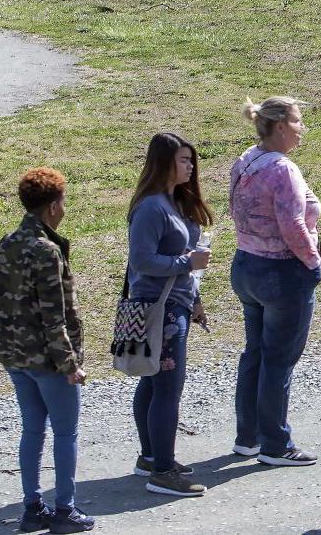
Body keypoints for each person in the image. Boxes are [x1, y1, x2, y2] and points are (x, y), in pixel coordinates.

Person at [0, 168, 93, 534]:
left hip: (16, 356)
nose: (64, 207)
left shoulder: (8, 241)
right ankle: (65, 509)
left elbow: (0, 302)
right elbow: (54, 315)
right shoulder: (47, 250)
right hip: (47, 360)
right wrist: (70, 364)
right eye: (62, 201)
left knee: (32, 429)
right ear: (51, 207)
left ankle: (32, 507)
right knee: (66, 433)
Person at [229, 96, 321, 468]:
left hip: (247, 266)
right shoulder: (283, 169)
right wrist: (312, 262)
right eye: (298, 122)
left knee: (255, 352)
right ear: (281, 125)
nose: (302, 130)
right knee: (279, 360)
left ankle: (247, 437)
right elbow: (293, 225)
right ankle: (275, 444)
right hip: (282, 274)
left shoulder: (246, 158)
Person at [127, 132, 214, 499]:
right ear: (164, 162)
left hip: (174, 306)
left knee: (152, 383)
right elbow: (143, 260)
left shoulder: (172, 202)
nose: (191, 166)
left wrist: (194, 299)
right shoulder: (151, 208)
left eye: (191, 160)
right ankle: (162, 471)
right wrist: (186, 262)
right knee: (166, 389)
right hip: (158, 311)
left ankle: (151, 457)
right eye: (183, 160)